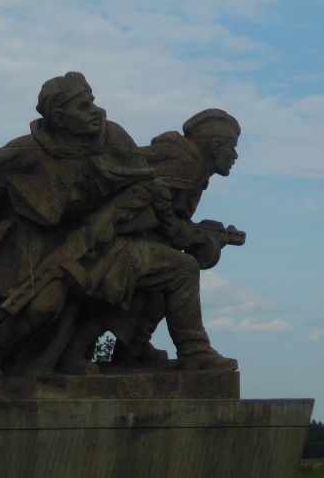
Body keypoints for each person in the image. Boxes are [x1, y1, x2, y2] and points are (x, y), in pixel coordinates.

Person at [0, 73, 235, 381]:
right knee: (43, 307)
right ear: (60, 118)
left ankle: (192, 352)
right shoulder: (25, 153)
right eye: (84, 106)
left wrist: (183, 233)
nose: (96, 111)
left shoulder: (113, 137)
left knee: (178, 268)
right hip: (40, 248)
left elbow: (146, 189)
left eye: (93, 101)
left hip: (103, 240)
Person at [94, 109, 246, 368]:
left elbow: (163, 218)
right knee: (183, 270)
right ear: (216, 146)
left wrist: (202, 232)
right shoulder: (185, 163)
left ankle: (133, 349)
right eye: (232, 148)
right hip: (108, 245)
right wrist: (183, 232)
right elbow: (152, 198)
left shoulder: (188, 164)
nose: (235, 156)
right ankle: (194, 351)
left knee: (162, 282)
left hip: (122, 243)